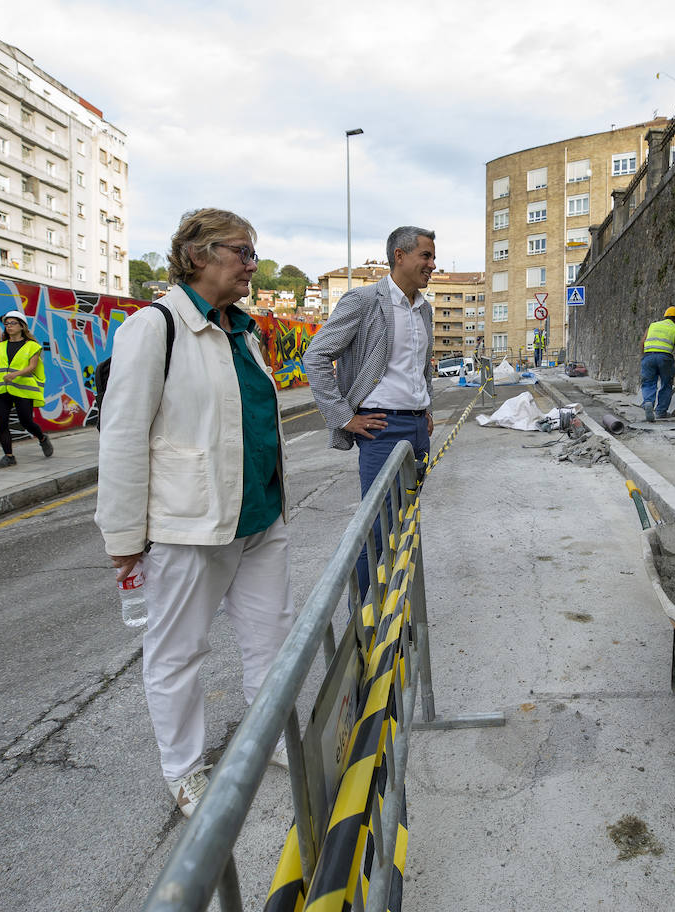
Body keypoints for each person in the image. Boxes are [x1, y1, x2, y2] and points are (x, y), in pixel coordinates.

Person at [94, 208, 295, 819]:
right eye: (242, 252)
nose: (252, 264)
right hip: (189, 522)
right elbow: (123, 434)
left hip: (260, 516)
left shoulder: (244, 329)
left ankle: (274, 735)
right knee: (178, 651)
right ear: (200, 255)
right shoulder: (155, 328)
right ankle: (182, 768)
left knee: (272, 636)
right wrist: (124, 535)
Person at [303, 227, 436, 591]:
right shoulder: (363, 301)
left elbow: (420, 365)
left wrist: (424, 405)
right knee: (375, 528)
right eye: (426, 256)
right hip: (381, 429)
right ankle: (363, 628)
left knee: (404, 524)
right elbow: (315, 356)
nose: (432, 265)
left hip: (417, 429)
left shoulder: (424, 309)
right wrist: (344, 416)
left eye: (432, 257)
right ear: (400, 255)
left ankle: (394, 614)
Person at [0, 309, 53, 468]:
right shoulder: (0, 346)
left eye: (13, 323)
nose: (9, 326)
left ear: (22, 326)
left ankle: (42, 438)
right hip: (2, 389)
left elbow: (32, 367)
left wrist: (15, 374)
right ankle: (9, 457)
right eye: (6, 323)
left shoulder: (33, 346)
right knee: (2, 424)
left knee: (26, 421)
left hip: (23, 389)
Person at [640, 305, 675, 421]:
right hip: (665, 358)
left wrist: (644, 357)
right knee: (666, 384)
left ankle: (648, 402)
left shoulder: (653, 325)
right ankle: (661, 412)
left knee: (648, 382)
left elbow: (642, 342)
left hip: (648, 356)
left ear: (665, 316)